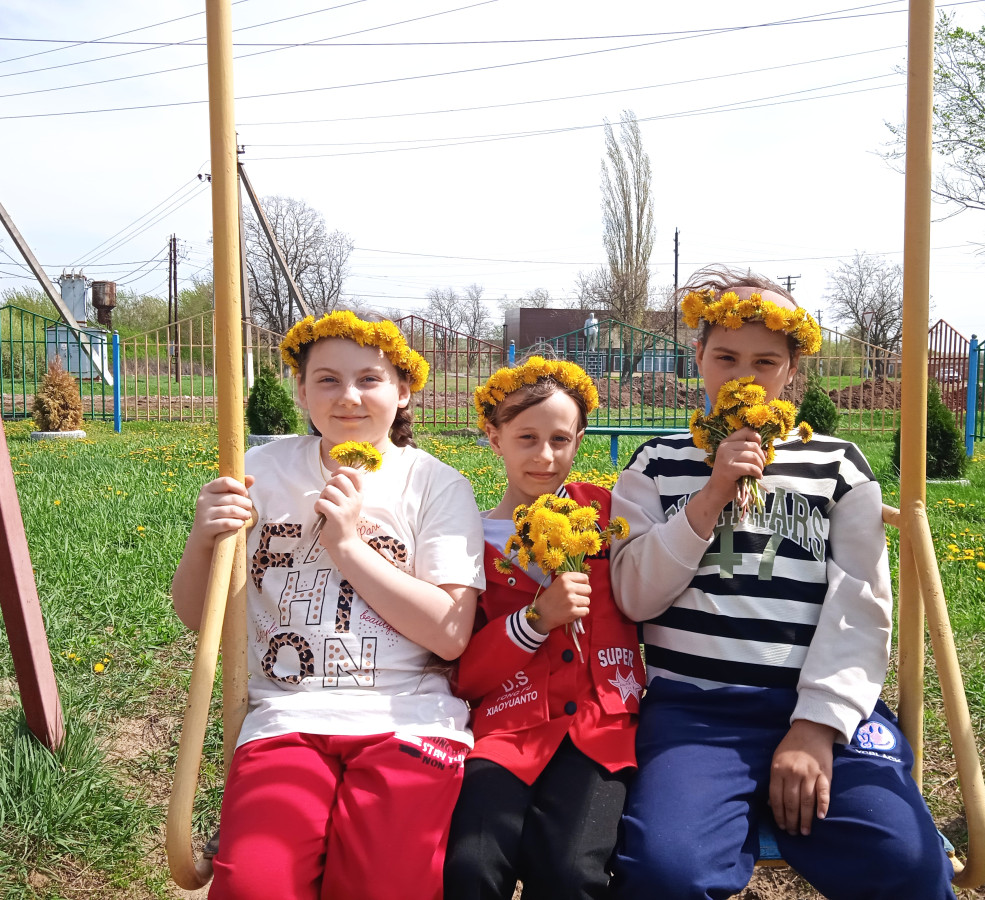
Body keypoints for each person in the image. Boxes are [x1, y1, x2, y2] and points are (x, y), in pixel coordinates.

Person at [608, 268, 955, 900]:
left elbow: (860, 605)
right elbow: (632, 596)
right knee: (666, 872)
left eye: (765, 361)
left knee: (907, 861)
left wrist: (818, 725)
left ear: (792, 369)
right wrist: (712, 492)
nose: (743, 376)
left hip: (817, 709)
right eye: (726, 357)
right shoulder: (655, 464)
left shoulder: (837, 465)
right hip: (696, 712)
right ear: (698, 358)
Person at [171, 311, 485, 900]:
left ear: (403, 390)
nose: (348, 397)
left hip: (407, 719)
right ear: (300, 390)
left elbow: (450, 633)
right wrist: (202, 538)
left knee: (381, 887)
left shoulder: (435, 485)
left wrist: (348, 547)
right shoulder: (259, 472)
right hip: (288, 717)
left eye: (369, 379)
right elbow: (197, 615)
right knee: (255, 889)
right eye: (327, 380)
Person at [444, 357, 644, 900]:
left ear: (579, 439)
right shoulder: (469, 542)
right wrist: (535, 620)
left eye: (560, 439)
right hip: (507, 732)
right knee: (470, 865)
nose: (545, 456)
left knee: (571, 873)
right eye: (526, 438)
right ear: (494, 437)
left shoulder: (604, 513)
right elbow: (465, 673)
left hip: (599, 733)